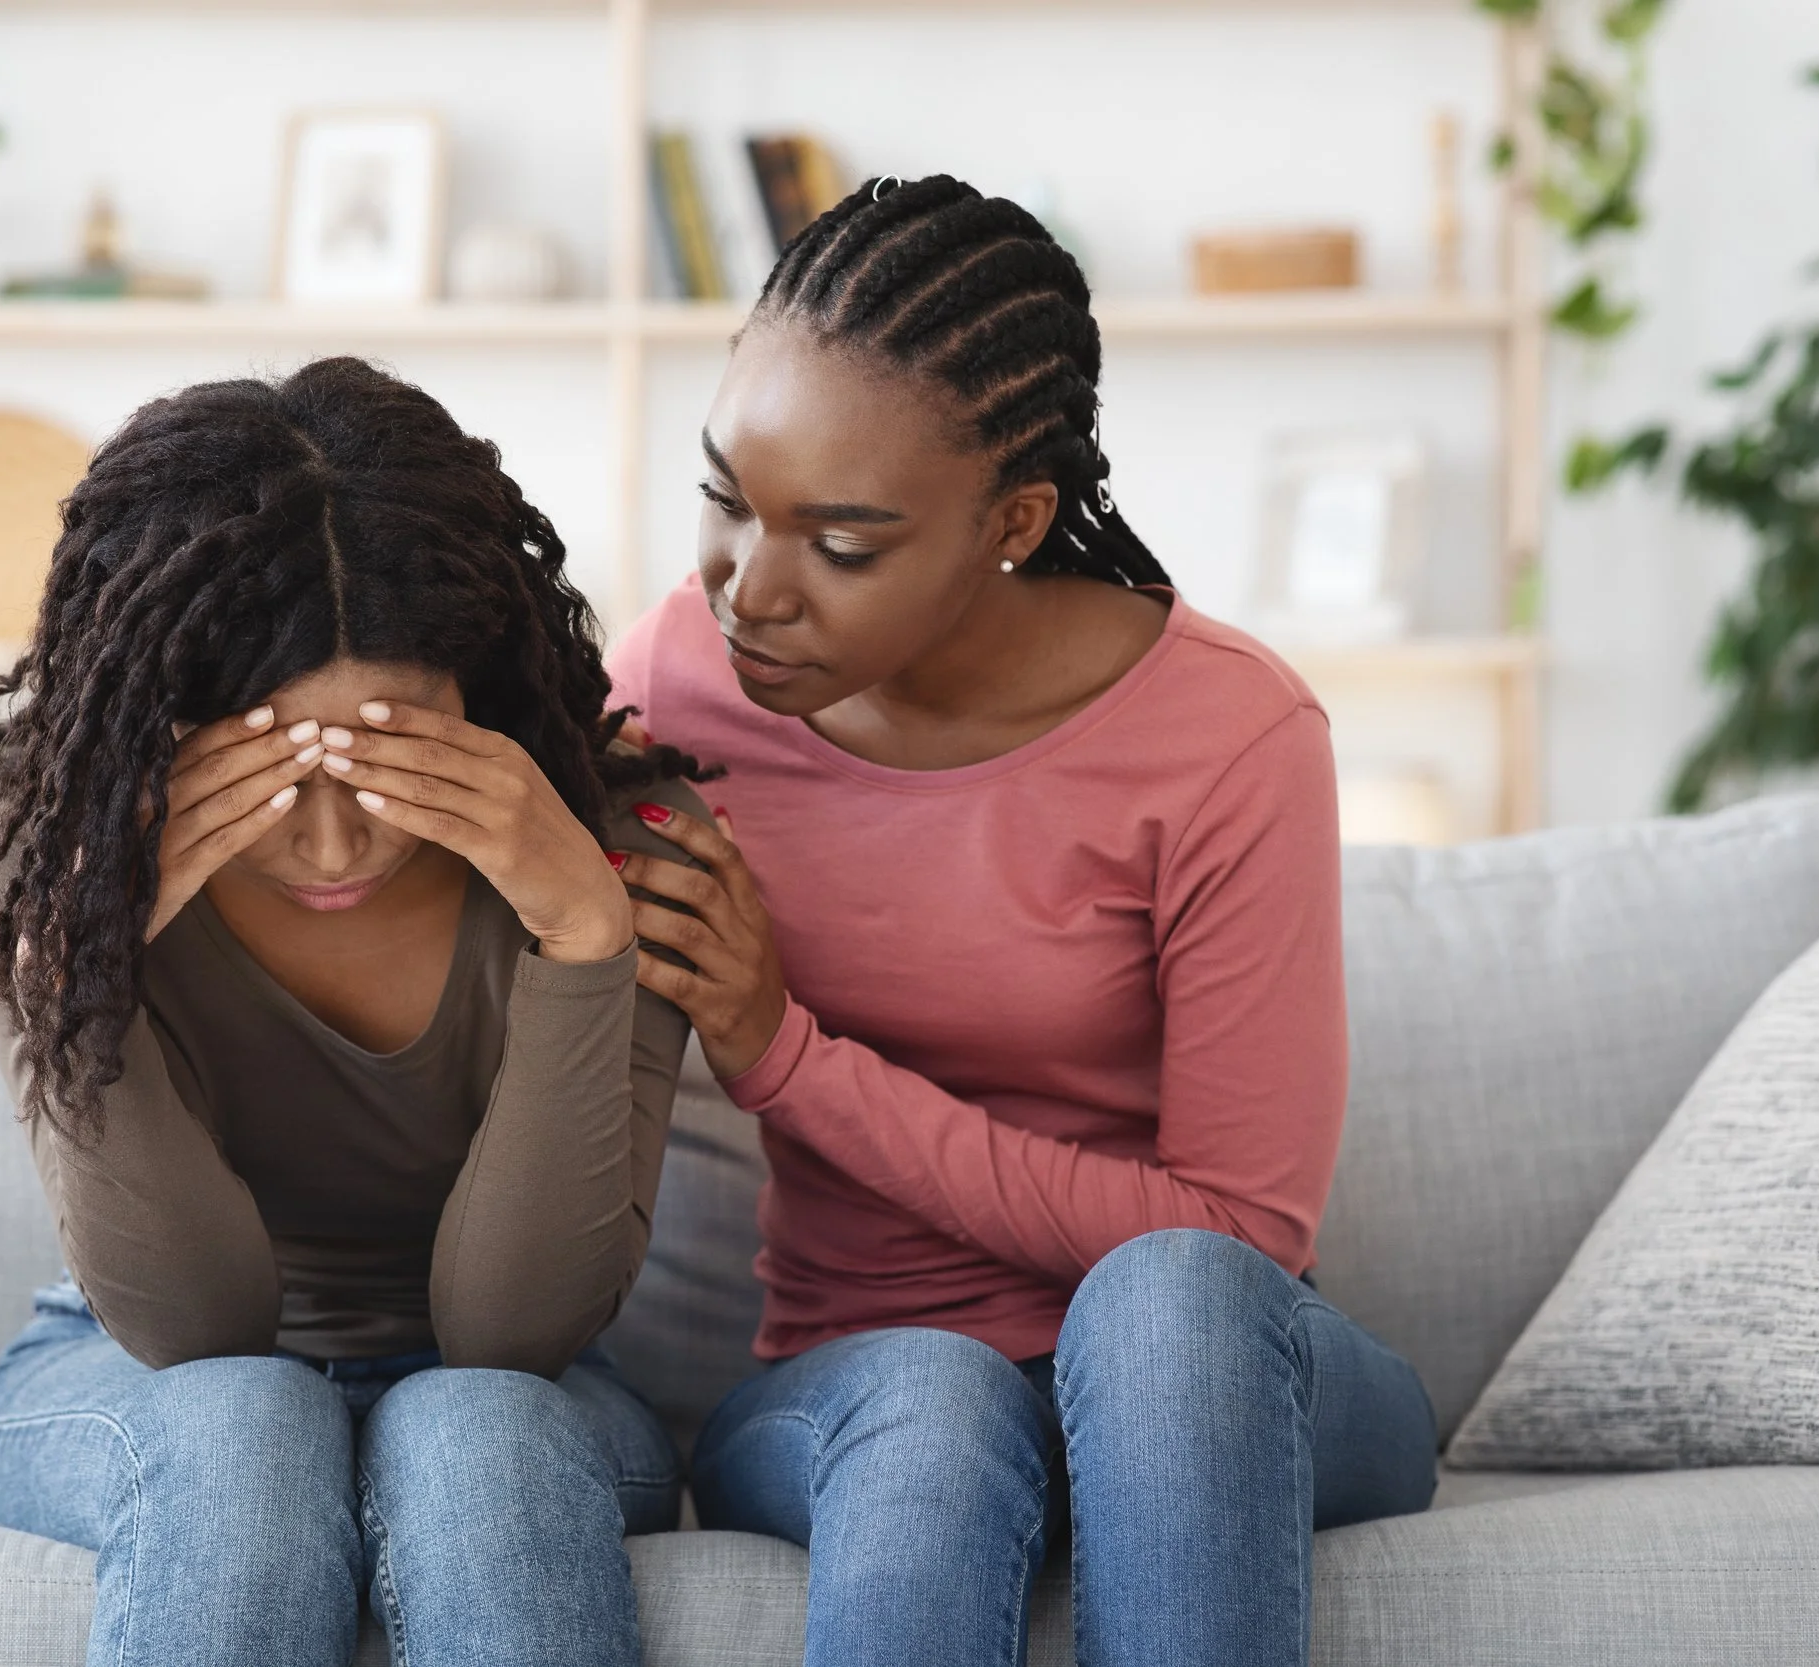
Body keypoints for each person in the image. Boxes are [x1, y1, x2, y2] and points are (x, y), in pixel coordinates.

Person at [604, 176, 1438, 1667]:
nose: (749, 593)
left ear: (1015, 522)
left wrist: (786, 1058)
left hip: (1206, 1377)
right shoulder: (676, 686)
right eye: (728, 500)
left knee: (1169, 1302)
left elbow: (1241, 1233)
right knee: (936, 1408)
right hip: (860, 1379)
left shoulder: (1229, 739)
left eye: (842, 546)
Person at [0, 358, 714, 1667]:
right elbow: (194, 1332)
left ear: (477, 689)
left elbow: (511, 1337)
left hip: (527, 1391)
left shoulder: (614, 840)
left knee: (476, 1429)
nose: (333, 847)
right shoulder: (40, 836)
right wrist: (89, 965)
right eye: (263, 768)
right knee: (245, 1421)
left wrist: (582, 934)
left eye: (395, 757)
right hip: (134, 1372)